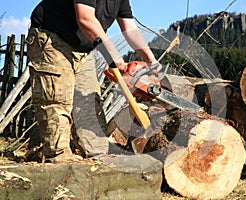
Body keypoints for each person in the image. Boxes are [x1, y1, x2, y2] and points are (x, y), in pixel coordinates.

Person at [25, 0, 158, 162]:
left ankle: (98, 156)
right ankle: (59, 159)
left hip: (82, 49)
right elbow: (85, 18)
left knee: (89, 102)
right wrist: (114, 55)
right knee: (57, 100)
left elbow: (130, 28)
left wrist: (151, 61)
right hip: (52, 38)